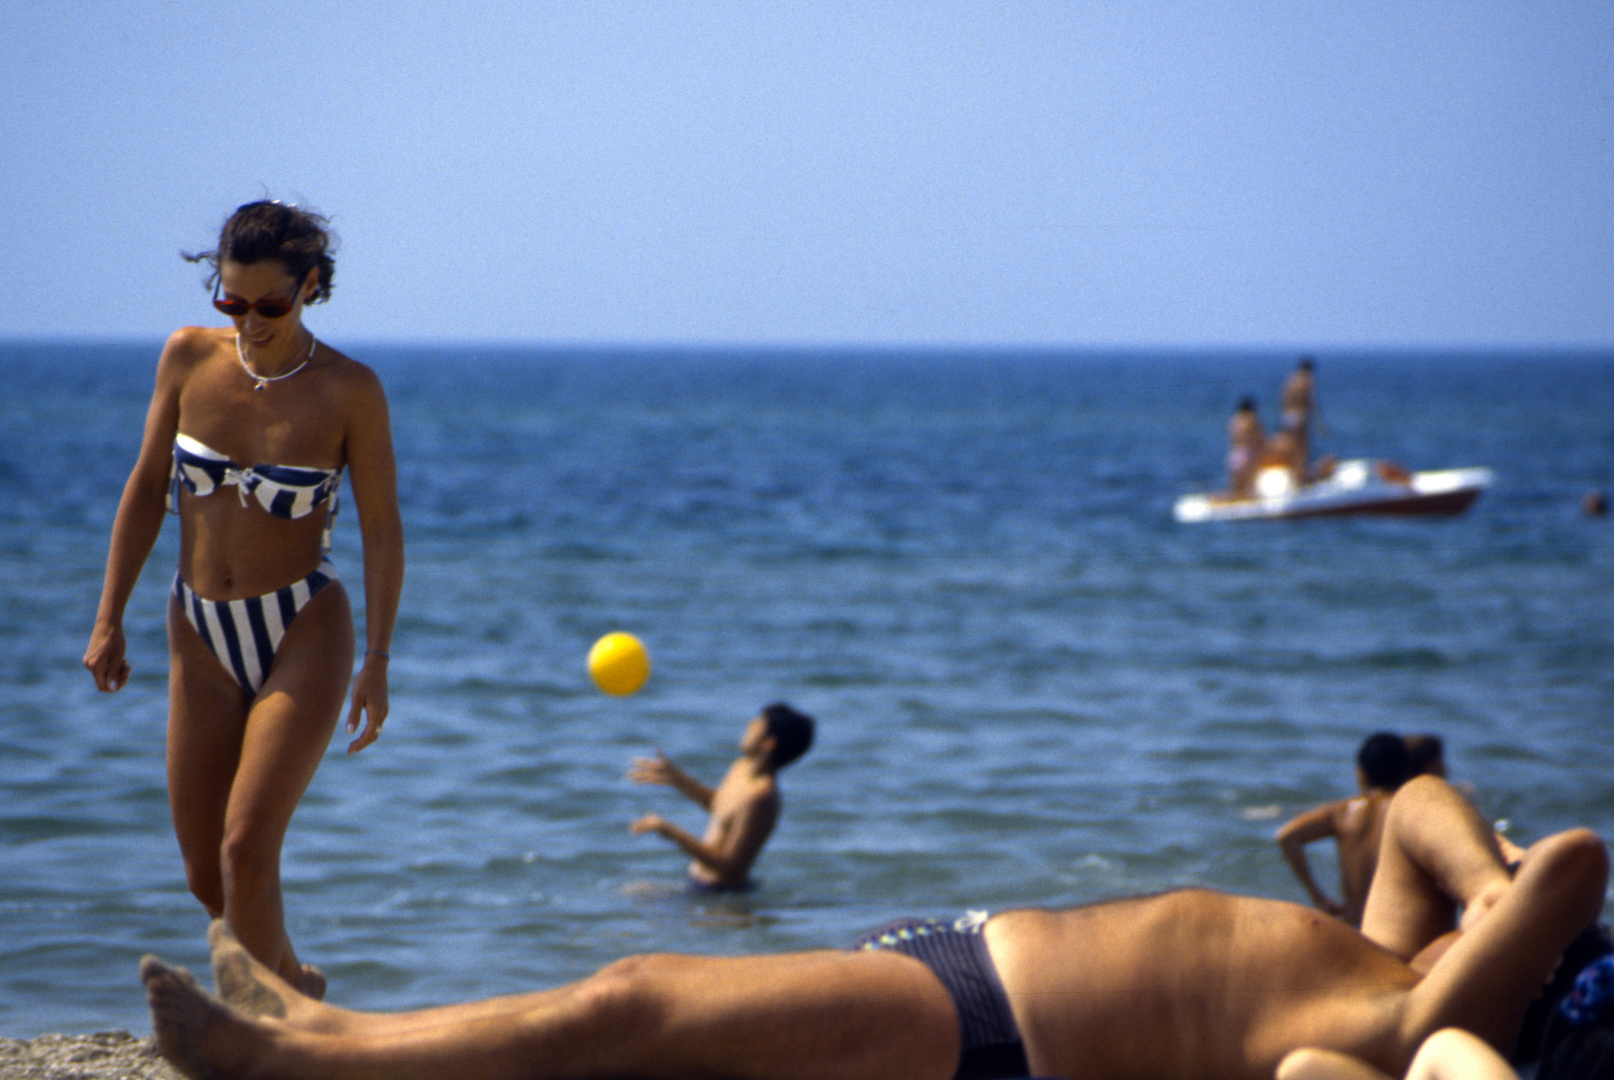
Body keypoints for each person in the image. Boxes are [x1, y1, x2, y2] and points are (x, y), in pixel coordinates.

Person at [139, 775, 1608, 1080]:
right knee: (638, 1027)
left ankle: (307, 1060)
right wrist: (1475, 877)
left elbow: (1579, 857)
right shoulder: (1386, 957)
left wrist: (1506, 892)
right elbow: (1413, 798)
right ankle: (326, 1029)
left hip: (992, 1031)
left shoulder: (1411, 1020)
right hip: (957, 976)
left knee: (630, 1001)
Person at [84, 200, 405, 997]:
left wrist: (378, 661)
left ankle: (282, 1040)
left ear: (312, 287)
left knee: (246, 847)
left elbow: (383, 530)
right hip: (198, 627)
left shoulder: (349, 391)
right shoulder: (188, 360)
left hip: (303, 624)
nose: (250, 321)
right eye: (232, 302)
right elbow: (144, 487)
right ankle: (297, 985)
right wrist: (108, 616)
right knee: (206, 875)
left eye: (271, 305)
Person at [627, 702, 814, 890]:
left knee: (635, 898)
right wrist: (679, 780)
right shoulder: (741, 767)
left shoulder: (763, 797)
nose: (749, 725)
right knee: (634, 894)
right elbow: (723, 807)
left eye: (756, 725)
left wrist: (670, 832)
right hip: (697, 886)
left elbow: (732, 869)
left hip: (722, 897)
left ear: (768, 744)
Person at [1276, 732, 1411, 925]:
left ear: (1361, 774)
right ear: (1406, 772)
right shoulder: (1408, 808)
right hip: (1395, 928)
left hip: (1352, 927)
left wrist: (1318, 897)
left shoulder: (1342, 810)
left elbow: (1287, 835)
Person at [1281, 355, 1320, 470]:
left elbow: (1282, 398)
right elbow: (1310, 401)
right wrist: (1319, 422)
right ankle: (1300, 476)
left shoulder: (1291, 379)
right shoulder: (1307, 379)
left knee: (1290, 446)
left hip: (1288, 415)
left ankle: (1291, 470)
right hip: (1300, 415)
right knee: (1301, 448)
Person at [1227, 396, 1266, 498]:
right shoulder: (1251, 420)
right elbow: (1260, 438)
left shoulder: (1234, 421)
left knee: (1236, 489)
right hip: (1247, 454)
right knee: (1249, 487)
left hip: (1234, 455)